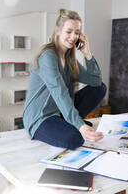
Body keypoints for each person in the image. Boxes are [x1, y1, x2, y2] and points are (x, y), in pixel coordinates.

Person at [23, 8, 106, 149]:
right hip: (41, 117)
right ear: (57, 30)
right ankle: (73, 124)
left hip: (59, 112)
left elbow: (95, 81)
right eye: (69, 31)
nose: (73, 37)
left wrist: (88, 54)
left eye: (77, 32)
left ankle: (70, 122)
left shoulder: (69, 60)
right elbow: (60, 93)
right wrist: (80, 126)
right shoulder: (48, 57)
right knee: (75, 139)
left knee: (100, 88)